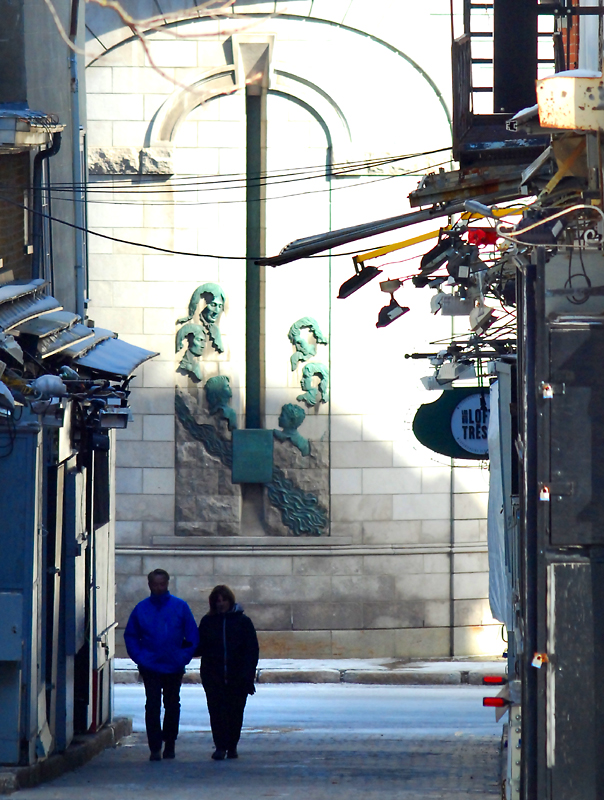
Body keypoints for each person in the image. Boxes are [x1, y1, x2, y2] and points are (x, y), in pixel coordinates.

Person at [124, 568, 199, 761]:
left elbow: (191, 636)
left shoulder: (180, 607)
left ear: (167, 584)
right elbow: (132, 636)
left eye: (162, 584)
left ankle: (170, 743)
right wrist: (140, 658)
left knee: (172, 704)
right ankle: (155, 747)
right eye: (155, 584)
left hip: (173, 665)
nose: (158, 587)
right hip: (150, 665)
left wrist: (183, 657)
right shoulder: (141, 609)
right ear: (149, 585)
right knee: (153, 705)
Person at [197, 585, 259, 760]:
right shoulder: (208, 622)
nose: (221, 604)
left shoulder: (243, 622)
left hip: (237, 676)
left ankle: (232, 745)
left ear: (230, 601)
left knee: (235, 712)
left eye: (224, 600)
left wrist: (248, 675)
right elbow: (199, 646)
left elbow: (251, 650)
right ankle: (220, 746)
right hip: (213, 676)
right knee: (216, 712)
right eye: (217, 601)